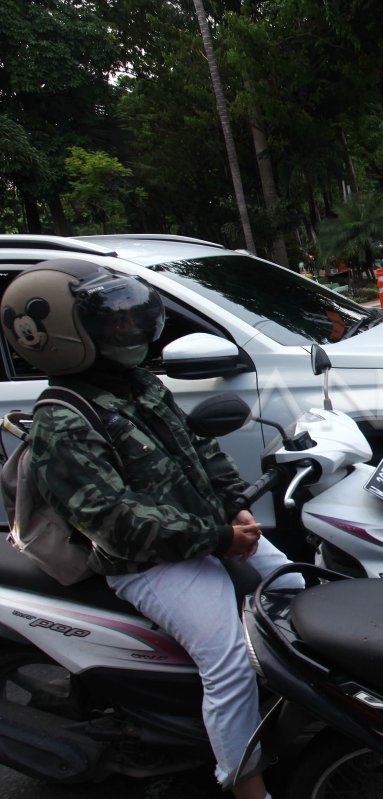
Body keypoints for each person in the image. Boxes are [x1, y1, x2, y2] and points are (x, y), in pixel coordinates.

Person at [0, 261, 303, 799]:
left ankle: (296, 711)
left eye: (128, 319)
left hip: (207, 534)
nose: (128, 331)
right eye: (109, 324)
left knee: (292, 589)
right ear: (58, 337)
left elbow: (201, 450)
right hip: (146, 565)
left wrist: (234, 508)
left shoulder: (139, 384)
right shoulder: (61, 422)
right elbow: (115, 524)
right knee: (229, 661)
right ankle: (244, 783)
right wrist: (217, 539)